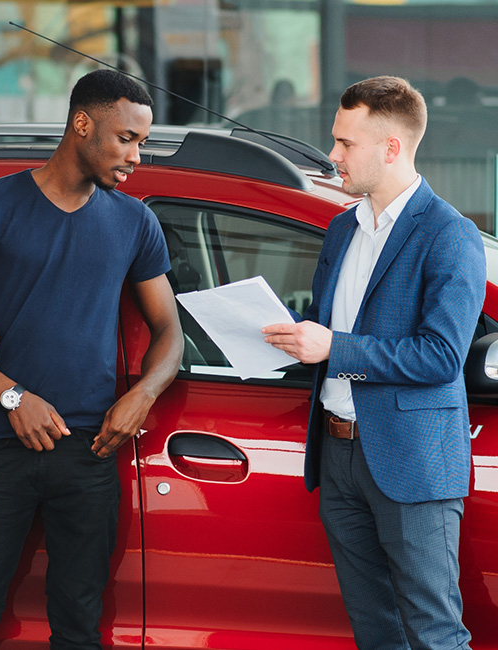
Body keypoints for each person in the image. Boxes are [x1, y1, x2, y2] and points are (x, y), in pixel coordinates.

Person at [0, 69, 183, 650]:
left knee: (80, 627)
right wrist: (13, 396)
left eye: (142, 141)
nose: (137, 155)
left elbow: (169, 332)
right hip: (0, 449)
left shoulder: (135, 221)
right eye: (126, 137)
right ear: (82, 123)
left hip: (90, 451)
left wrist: (143, 394)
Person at [263, 76, 485, 649]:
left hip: (410, 460)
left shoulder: (448, 235)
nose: (333, 154)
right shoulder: (342, 228)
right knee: (374, 631)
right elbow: (324, 327)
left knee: (434, 632)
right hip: (338, 456)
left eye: (345, 143)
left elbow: (440, 357)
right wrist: (285, 340)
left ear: (392, 147)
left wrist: (333, 348)